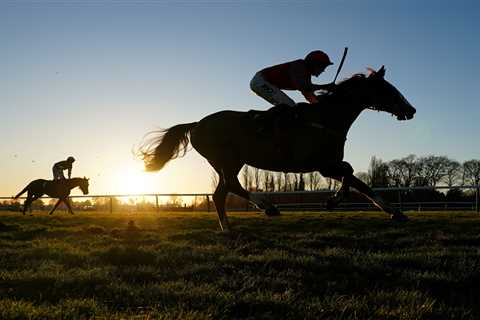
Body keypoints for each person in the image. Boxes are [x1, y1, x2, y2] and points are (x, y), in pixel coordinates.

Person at [250, 50, 336, 107]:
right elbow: (303, 86)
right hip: (260, 81)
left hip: (263, 82)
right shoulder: (299, 66)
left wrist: (319, 104)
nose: (323, 70)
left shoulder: (306, 76)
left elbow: (309, 95)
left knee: (291, 106)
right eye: (323, 67)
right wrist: (325, 86)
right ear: (315, 64)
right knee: (289, 106)